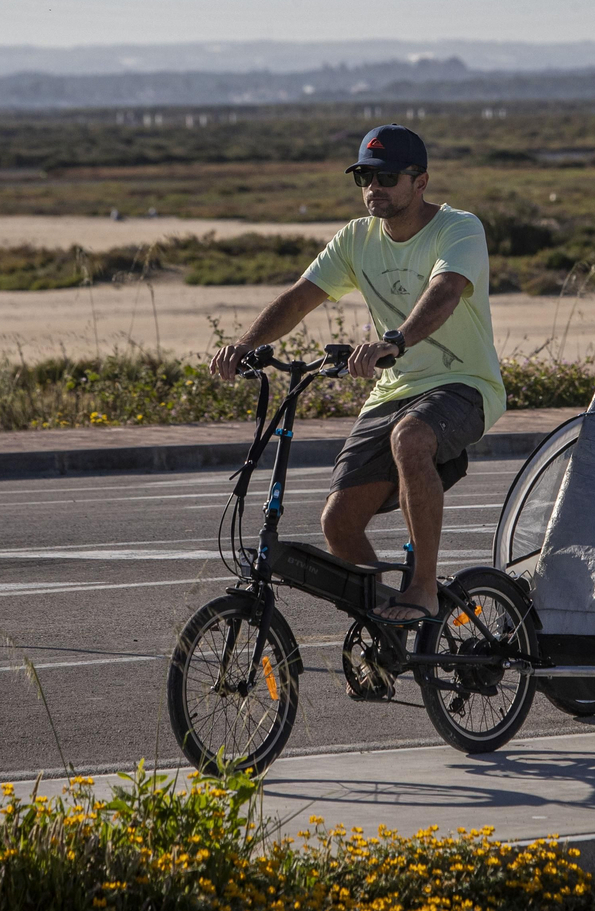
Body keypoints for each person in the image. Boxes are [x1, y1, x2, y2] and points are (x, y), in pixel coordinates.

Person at [210, 124, 505, 625]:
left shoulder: (458, 228)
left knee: (411, 438)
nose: (375, 188)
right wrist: (246, 345)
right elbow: (299, 298)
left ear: (421, 181)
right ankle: (385, 622)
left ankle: (424, 591)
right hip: (395, 388)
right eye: (365, 177)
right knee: (339, 522)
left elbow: (446, 292)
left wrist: (395, 341)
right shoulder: (356, 238)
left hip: (464, 385)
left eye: (387, 177)